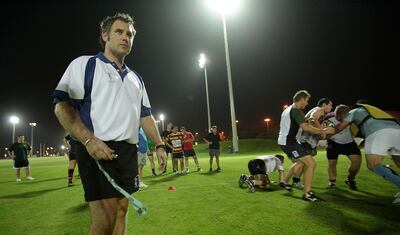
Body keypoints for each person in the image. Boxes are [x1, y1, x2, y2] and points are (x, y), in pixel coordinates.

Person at [52, 13, 167, 235]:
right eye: (119, 32)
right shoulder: (85, 64)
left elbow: (145, 116)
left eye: (130, 34)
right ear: (105, 35)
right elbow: (61, 105)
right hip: (97, 147)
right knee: (104, 218)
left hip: (127, 151)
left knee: (122, 210)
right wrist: (88, 139)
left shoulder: (136, 78)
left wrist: (159, 145)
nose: (126, 37)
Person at [334, 101, 400, 204]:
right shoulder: (371, 112)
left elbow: (339, 127)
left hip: (379, 132)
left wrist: (324, 131)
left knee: (373, 165)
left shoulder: (354, 111)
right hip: (397, 130)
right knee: (399, 162)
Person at [277, 90, 334, 201]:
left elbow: (298, 124)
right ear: (301, 99)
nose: (307, 104)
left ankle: (285, 182)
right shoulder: (295, 110)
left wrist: (308, 122)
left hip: (288, 141)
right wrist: (324, 131)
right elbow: (306, 128)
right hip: (289, 143)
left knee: (302, 163)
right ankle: (307, 194)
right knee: (311, 164)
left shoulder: (287, 109)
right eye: (306, 101)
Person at [293, 98, 333, 188]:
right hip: (306, 140)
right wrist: (322, 131)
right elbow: (313, 119)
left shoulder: (317, 110)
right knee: (305, 163)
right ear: (324, 105)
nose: (331, 107)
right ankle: (294, 181)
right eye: (330, 105)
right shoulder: (320, 110)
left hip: (305, 139)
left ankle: (293, 181)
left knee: (303, 162)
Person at [325, 105, 361, 190]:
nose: (348, 117)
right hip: (334, 143)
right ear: (338, 115)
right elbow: (327, 135)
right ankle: (332, 182)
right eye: (346, 115)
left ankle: (350, 178)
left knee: (357, 162)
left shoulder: (351, 120)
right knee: (332, 163)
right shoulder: (329, 121)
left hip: (349, 143)